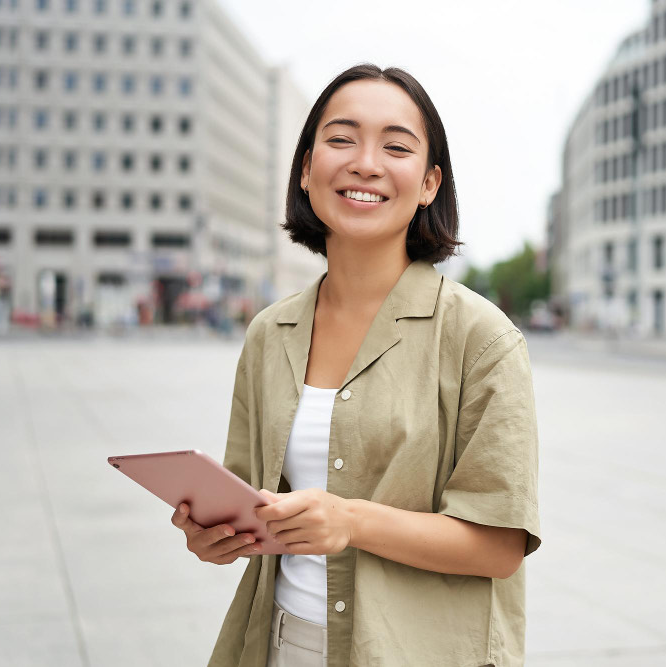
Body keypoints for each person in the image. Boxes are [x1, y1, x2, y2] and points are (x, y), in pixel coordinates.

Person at [171, 63, 541, 667]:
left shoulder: (481, 337)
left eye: (396, 147)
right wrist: (216, 534)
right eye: (341, 139)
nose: (365, 163)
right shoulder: (270, 332)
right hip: (280, 643)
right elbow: (249, 502)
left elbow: (499, 545)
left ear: (428, 184)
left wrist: (351, 521)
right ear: (306, 169)